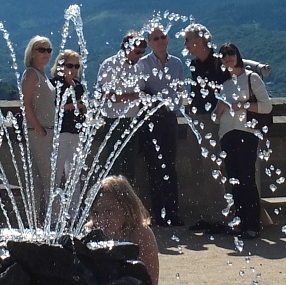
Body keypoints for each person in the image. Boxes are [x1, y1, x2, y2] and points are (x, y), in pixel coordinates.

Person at [214, 42, 272, 239]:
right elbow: (217, 116)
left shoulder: (251, 78)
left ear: (238, 55)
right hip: (227, 135)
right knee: (234, 180)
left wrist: (243, 105)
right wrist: (219, 109)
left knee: (247, 179)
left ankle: (252, 224)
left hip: (246, 133)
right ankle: (240, 222)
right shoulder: (224, 84)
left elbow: (266, 106)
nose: (227, 57)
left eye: (230, 53)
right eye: (223, 55)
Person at [137, 25, 186, 227]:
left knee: (170, 166)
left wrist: (171, 107)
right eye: (155, 38)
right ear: (149, 43)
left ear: (167, 40)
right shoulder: (143, 64)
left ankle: (173, 213)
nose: (159, 41)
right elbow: (139, 92)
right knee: (154, 168)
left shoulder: (176, 63)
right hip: (151, 120)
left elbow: (180, 91)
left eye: (162, 37)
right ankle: (158, 214)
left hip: (169, 119)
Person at [182, 24, 228, 232]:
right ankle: (208, 214)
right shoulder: (195, 64)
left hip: (212, 122)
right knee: (199, 168)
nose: (185, 44)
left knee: (213, 169)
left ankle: (220, 216)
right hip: (197, 120)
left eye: (187, 40)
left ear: (199, 41)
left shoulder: (220, 64)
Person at [87, 175, 160, 285]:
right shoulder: (90, 233)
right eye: (96, 213)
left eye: (109, 211)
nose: (102, 219)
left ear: (127, 208)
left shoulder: (140, 234)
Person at [94, 31, 147, 185]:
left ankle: (126, 203)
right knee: (114, 167)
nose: (139, 56)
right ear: (126, 47)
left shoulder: (138, 67)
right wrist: (131, 97)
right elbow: (105, 95)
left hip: (132, 121)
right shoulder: (110, 65)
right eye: (137, 52)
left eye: (142, 53)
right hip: (114, 121)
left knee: (130, 168)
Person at [21, 35, 55, 219]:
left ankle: (41, 219)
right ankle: (49, 219)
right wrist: (39, 129)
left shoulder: (42, 75)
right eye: (41, 49)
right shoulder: (31, 74)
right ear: (32, 53)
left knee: (43, 179)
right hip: (39, 132)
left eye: (48, 50)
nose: (46, 53)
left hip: (47, 130)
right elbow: (25, 104)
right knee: (48, 178)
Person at [51, 49, 86, 202]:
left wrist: (84, 109)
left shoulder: (79, 86)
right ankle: (53, 214)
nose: (73, 70)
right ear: (61, 66)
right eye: (69, 65)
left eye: (76, 66)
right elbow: (52, 109)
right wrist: (74, 106)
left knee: (74, 176)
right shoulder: (54, 85)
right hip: (60, 133)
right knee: (56, 175)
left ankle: (73, 213)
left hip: (76, 132)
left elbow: (81, 109)